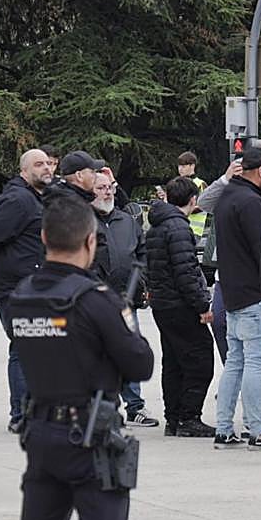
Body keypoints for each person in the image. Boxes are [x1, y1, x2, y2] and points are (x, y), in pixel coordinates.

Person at [0, 195, 160, 520]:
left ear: (45, 239)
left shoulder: (22, 296)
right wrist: (126, 317)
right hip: (92, 439)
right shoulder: (96, 301)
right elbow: (139, 365)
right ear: (90, 243)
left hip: (42, 434)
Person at [212, 143, 261, 450]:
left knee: (236, 361)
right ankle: (259, 429)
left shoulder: (229, 196)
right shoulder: (251, 203)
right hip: (255, 293)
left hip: (232, 291)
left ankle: (224, 427)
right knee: (257, 362)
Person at [0, 148, 52, 432]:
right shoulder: (17, 199)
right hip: (17, 287)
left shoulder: (38, 197)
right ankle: (21, 415)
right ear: (24, 170)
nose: (46, 168)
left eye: (48, 163)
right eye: (39, 164)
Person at [145, 176, 215, 438]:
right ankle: (189, 416)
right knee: (200, 357)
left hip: (162, 303)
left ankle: (173, 417)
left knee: (173, 361)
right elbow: (186, 271)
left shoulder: (156, 226)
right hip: (180, 304)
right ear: (192, 200)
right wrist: (202, 304)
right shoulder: (178, 228)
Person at [90, 170, 158, 428]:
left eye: (110, 187)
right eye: (101, 188)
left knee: (129, 351)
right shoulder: (85, 220)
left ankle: (135, 406)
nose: (107, 192)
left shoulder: (126, 221)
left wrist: (140, 282)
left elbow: (142, 253)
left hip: (126, 300)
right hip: (96, 300)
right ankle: (103, 407)